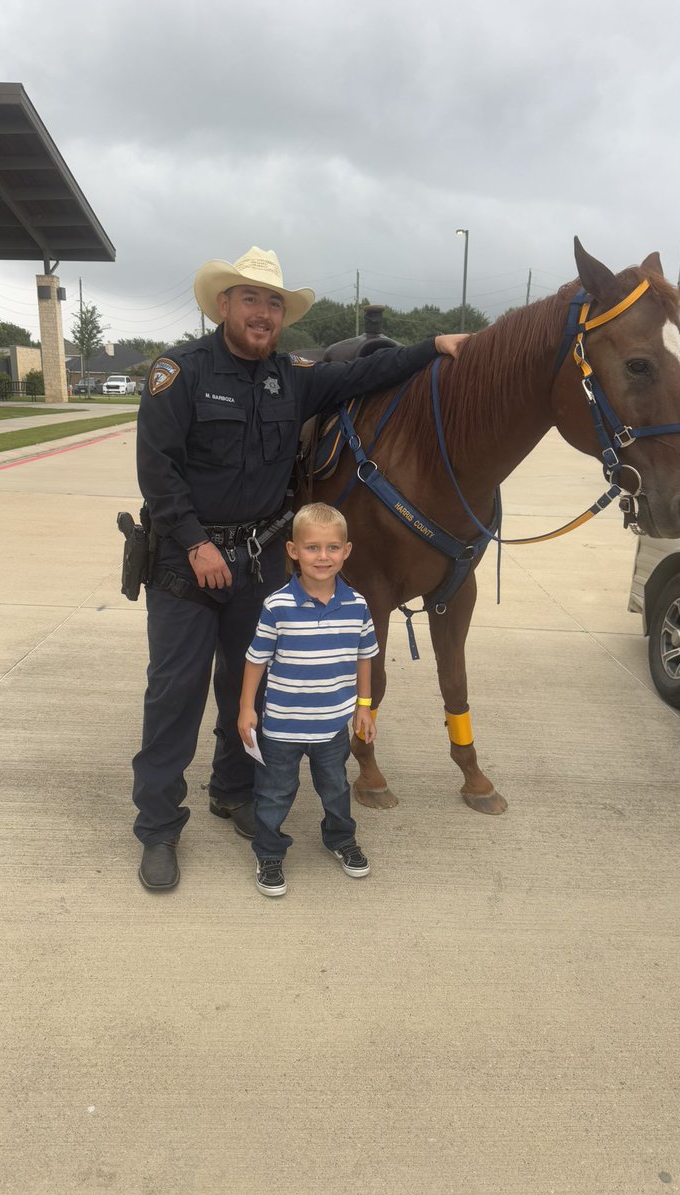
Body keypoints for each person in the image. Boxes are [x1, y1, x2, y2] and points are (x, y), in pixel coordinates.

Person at [133, 245, 467, 891]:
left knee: (244, 686)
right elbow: (158, 468)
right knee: (174, 694)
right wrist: (196, 543)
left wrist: (435, 344)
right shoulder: (180, 372)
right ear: (224, 305)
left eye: (274, 303)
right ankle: (157, 828)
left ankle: (231, 792)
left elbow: (374, 372)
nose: (263, 313)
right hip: (187, 561)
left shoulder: (294, 377)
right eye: (250, 299)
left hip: (258, 560)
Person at [237, 502, 376, 897]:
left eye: (332, 548)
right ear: (293, 551)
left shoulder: (357, 605)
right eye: (312, 547)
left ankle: (340, 838)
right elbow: (255, 660)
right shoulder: (277, 606)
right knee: (274, 792)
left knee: (335, 789)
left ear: (346, 551)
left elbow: (365, 656)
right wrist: (247, 707)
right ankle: (268, 851)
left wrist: (363, 707)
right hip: (281, 727)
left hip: (332, 726)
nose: (323, 556)